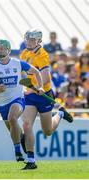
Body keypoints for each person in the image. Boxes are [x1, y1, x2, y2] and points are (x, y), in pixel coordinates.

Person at [20, 28, 73, 170]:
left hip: (44, 94)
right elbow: (23, 73)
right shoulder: (24, 53)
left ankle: (60, 113)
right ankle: (31, 160)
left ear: (39, 40)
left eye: (32, 39)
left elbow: (45, 76)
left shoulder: (42, 54)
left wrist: (38, 86)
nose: (29, 42)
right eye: (28, 39)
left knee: (47, 131)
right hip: (30, 94)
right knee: (26, 125)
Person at [0, 39, 44, 162]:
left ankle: (18, 151)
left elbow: (36, 72)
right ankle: (18, 147)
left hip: (18, 99)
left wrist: (40, 86)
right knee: (13, 128)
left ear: (8, 50)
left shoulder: (18, 63)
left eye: (2, 49)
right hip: (2, 104)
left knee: (13, 118)